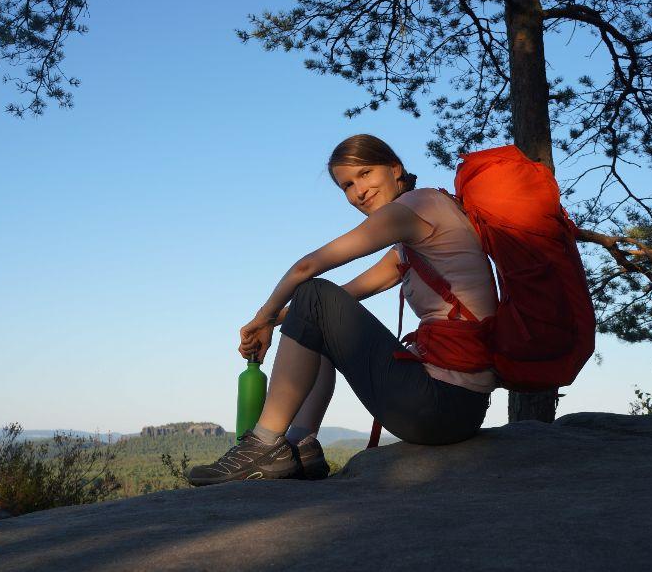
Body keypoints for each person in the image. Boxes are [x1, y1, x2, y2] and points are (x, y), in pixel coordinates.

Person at [186, 134, 499, 487]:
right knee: (318, 309)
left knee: (313, 292)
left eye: (365, 174)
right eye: (347, 185)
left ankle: (263, 444)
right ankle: (300, 445)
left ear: (395, 169)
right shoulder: (416, 233)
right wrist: (273, 322)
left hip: (441, 404)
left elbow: (308, 268)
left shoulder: (416, 207)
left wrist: (264, 315)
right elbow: (344, 297)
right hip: (458, 408)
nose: (359, 192)